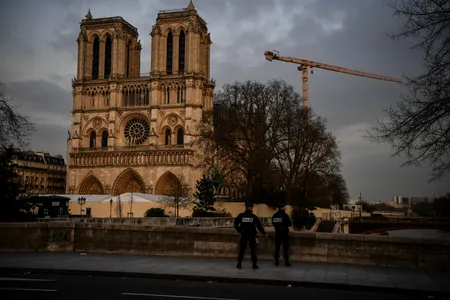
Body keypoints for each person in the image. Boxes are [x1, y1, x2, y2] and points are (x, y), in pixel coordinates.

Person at [233, 203, 268, 269]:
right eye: (252, 207)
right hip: (252, 235)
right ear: (250, 208)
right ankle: (254, 264)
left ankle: (239, 263)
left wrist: (240, 230)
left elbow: (235, 223)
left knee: (242, 249)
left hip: (244, 235)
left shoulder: (241, 216)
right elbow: (259, 226)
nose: (252, 209)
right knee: (253, 250)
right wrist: (264, 233)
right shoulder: (253, 217)